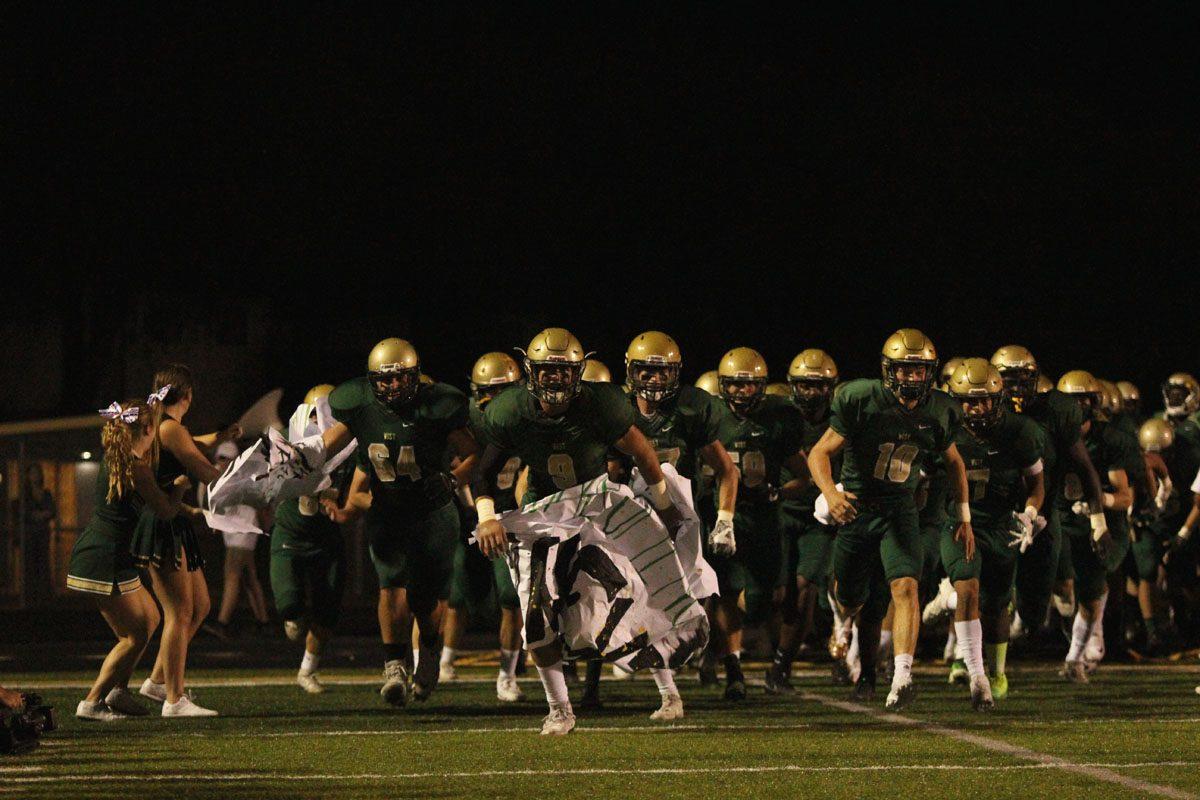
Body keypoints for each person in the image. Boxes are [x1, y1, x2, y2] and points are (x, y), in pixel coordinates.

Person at [470, 327, 687, 735]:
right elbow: (483, 473)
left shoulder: (601, 405)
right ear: (531, 372)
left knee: (631, 594)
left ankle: (670, 693)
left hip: (597, 506)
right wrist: (486, 516)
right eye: (547, 371)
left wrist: (665, 507)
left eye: (563, 371)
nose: (555, 379)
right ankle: (559, 709)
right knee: (535, 612)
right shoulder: (510, 410)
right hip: (543, 513)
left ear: (579, 372)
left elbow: (641, 452)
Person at [807, 329, 971, 710]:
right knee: (851, 599)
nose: (912, 379)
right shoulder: (861, 398)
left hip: (899, 508)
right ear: (888, 370)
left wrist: (964, 517)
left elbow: (956, 464)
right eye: (905, 370)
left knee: (905, 588)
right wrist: (831, 494)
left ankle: (901, 676)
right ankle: (841, 618)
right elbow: (819, 453)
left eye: (919, 371)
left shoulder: (941, 410)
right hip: (858, 508)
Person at [323, 339, 479, 707]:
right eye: (384, 380)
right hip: (388, 510)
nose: (392, 387)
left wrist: (454, 480)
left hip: (433, 513)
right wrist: (293, 462)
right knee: (390, 585)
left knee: (425, 602)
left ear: (414, 377)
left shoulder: (437, 406)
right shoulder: (361, 407)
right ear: (372, 381)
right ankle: (393, 663)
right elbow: (324, 448)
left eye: (400, 379)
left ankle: (427, 650)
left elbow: (474, 453)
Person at [68, 398, 186, 720]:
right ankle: (92, 702)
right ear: (147, 428)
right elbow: (164, 510)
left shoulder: (120, 458)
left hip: (112, 554)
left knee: (150, 619)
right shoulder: (137, 466)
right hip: (104, 556)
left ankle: (117, 692)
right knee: (134, 635)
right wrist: (180, 489)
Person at [134, 365, 239, 716]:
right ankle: (174, 700)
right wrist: (253, 476)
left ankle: (157, 681)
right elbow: (205, 470)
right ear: (188, 396)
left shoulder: (166, 426)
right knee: (178, 613)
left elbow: (197, 443)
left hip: (174, 521)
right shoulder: (171, 429)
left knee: (202, 606)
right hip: (163, 522)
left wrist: (222, 435)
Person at [941, 360, 1045, 707]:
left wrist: (1030, 514)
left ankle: (997, 671)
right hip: (960, 522)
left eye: (986, 399)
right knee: (968, 586)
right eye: (970, 400)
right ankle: (976, 674)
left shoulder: (1019, 431)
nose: (979, 407)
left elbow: (1036, 485)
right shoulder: (945, 429)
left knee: (997, 605)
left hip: (1001, 524)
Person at [709, 347, 807, 702]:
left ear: (762, 387)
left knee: (766, 598)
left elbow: (804, 476)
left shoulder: (778, 420)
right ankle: (733, 670)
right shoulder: (712, 416)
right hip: (727, 515)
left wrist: (778, 492)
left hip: (764, 517)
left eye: (748, 386)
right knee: (728, 590)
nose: (740, 392)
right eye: (734, 385)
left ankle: (734, 654)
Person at [440, 353, 526, 703]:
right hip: (468, 515)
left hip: (509, 516)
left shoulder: (527, 419)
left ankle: (506, 675)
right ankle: (445, 661)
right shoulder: (463, 421)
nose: (496, 401)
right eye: (489, 393)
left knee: (510, 597)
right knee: (458, 594)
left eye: (504, 392)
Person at [272, 384, 349, 694]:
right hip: (291, 532)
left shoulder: (349, 449)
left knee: (328, 608)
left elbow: (359, 487)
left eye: (329, 415)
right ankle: (293, 616)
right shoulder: (291, 444)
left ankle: (307, 669)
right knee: (289, 605)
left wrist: (346, 506)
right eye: (317, 414)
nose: (323, 421)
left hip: (327, 536)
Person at [205, 441, 271, 639]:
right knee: (250, 577)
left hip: (243, 530)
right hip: (236, 530)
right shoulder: (222, 475)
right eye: (220, 458)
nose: (222, 463)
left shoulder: (243, 476)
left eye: (226, 459)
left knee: (232, 575)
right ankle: (264, 621)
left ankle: (222, 623)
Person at [17, 464, 57, 605]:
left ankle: (44, 599)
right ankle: (29, 598)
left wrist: (39, 515)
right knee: (31, 565)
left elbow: (52, 511)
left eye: (37, 473)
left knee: (43, 565)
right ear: (28, 476)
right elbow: (25, 513)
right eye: (32, 473)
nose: (35, 476)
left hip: (42, 535)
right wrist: (39, 515)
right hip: (29, 536)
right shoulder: (26, 495)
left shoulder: (46, 493)